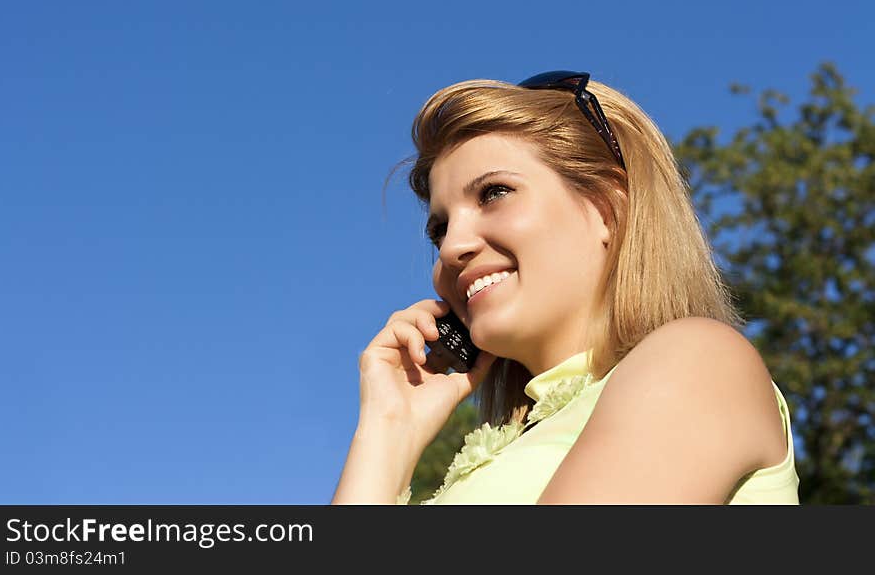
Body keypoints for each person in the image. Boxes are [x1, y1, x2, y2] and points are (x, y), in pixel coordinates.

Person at [331, 71, 800, 504]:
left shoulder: (700, 361)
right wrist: (388, 431)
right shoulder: (507, 448)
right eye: (439, 229)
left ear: (605, 208)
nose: (452, 247)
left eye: (493, 193)